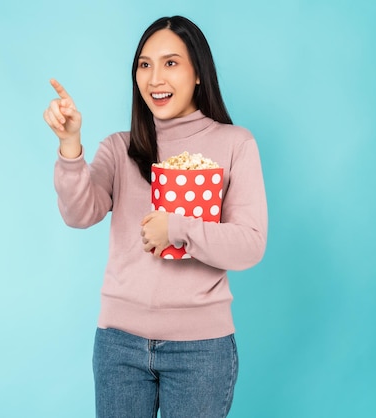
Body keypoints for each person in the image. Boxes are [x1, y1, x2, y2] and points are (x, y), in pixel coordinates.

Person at [43, 15, 267, 418]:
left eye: (170, 63)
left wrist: (177, 228)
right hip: (118, 345)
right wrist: (70, 146)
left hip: (201, 350)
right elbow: (79, 213)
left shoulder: (236, 144)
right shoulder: (120, 148)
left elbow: (250, 244)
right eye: (144, 64)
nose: (154, 78)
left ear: (198, 72)